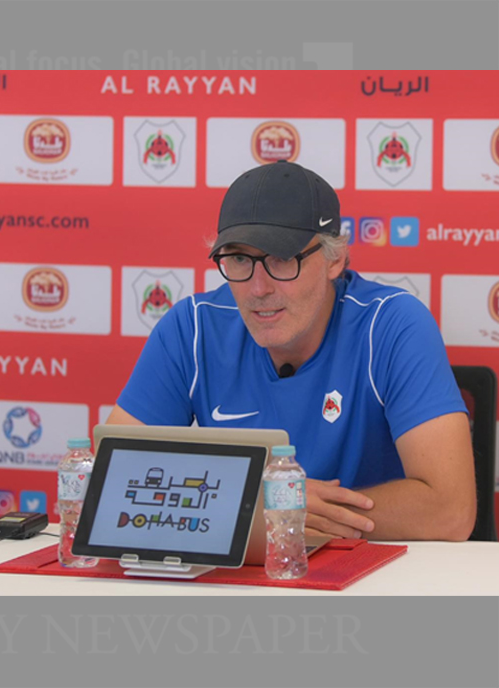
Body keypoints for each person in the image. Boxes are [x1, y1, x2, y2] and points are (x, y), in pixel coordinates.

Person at [106, 160, 476, 541]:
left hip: (375, 579)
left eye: (282, 260)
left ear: (334, 259)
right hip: (241, 578)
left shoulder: (392, 324)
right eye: (238, 259)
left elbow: (450, 511)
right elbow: (110, 481)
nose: (258, 288)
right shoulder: (192, 327)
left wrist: (285, 512)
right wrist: (268, 507)